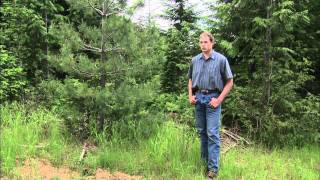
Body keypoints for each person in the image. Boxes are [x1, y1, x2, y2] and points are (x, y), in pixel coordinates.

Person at [188, 32, 233, 179]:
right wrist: (190, 95)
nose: (203, 45)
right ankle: (204, 163)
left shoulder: (220, 60)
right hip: (199, 99)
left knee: (212, 134)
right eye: (201, 42)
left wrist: (219, 100)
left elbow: (229, 82)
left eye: (206, 42)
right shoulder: (195, 60)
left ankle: (213, 169)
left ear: (212, 43)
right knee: (202, 133)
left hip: (213, 99)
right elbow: (190, 79)